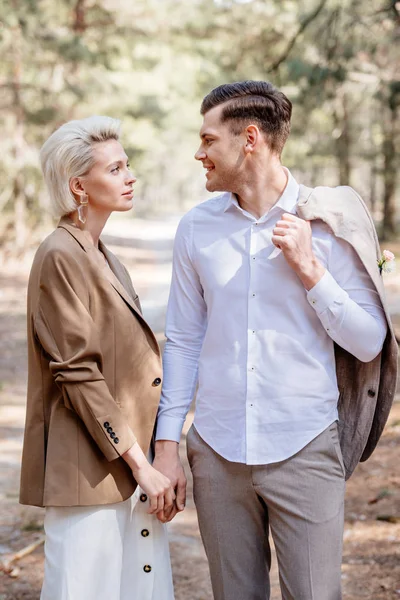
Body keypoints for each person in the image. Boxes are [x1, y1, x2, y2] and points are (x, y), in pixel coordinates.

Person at [152, 81, 398, 599]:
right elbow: (182, 341)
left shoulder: (330, 222)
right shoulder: (197, 229)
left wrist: (312, 270)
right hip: (217, 453)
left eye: (207, 140)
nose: (199, 154)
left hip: (305, 446)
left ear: (249, 138)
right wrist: (168, 446)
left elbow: (371, 342)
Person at [19, 116, 175, 600]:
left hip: (127, 468)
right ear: (78, 186)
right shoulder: (59, 255)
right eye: (115, 169)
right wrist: (143, 465)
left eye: (128, 165)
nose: (130, 177)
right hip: (87, 472)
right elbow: (79, 373)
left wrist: (154, 459)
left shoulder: (107, 256)